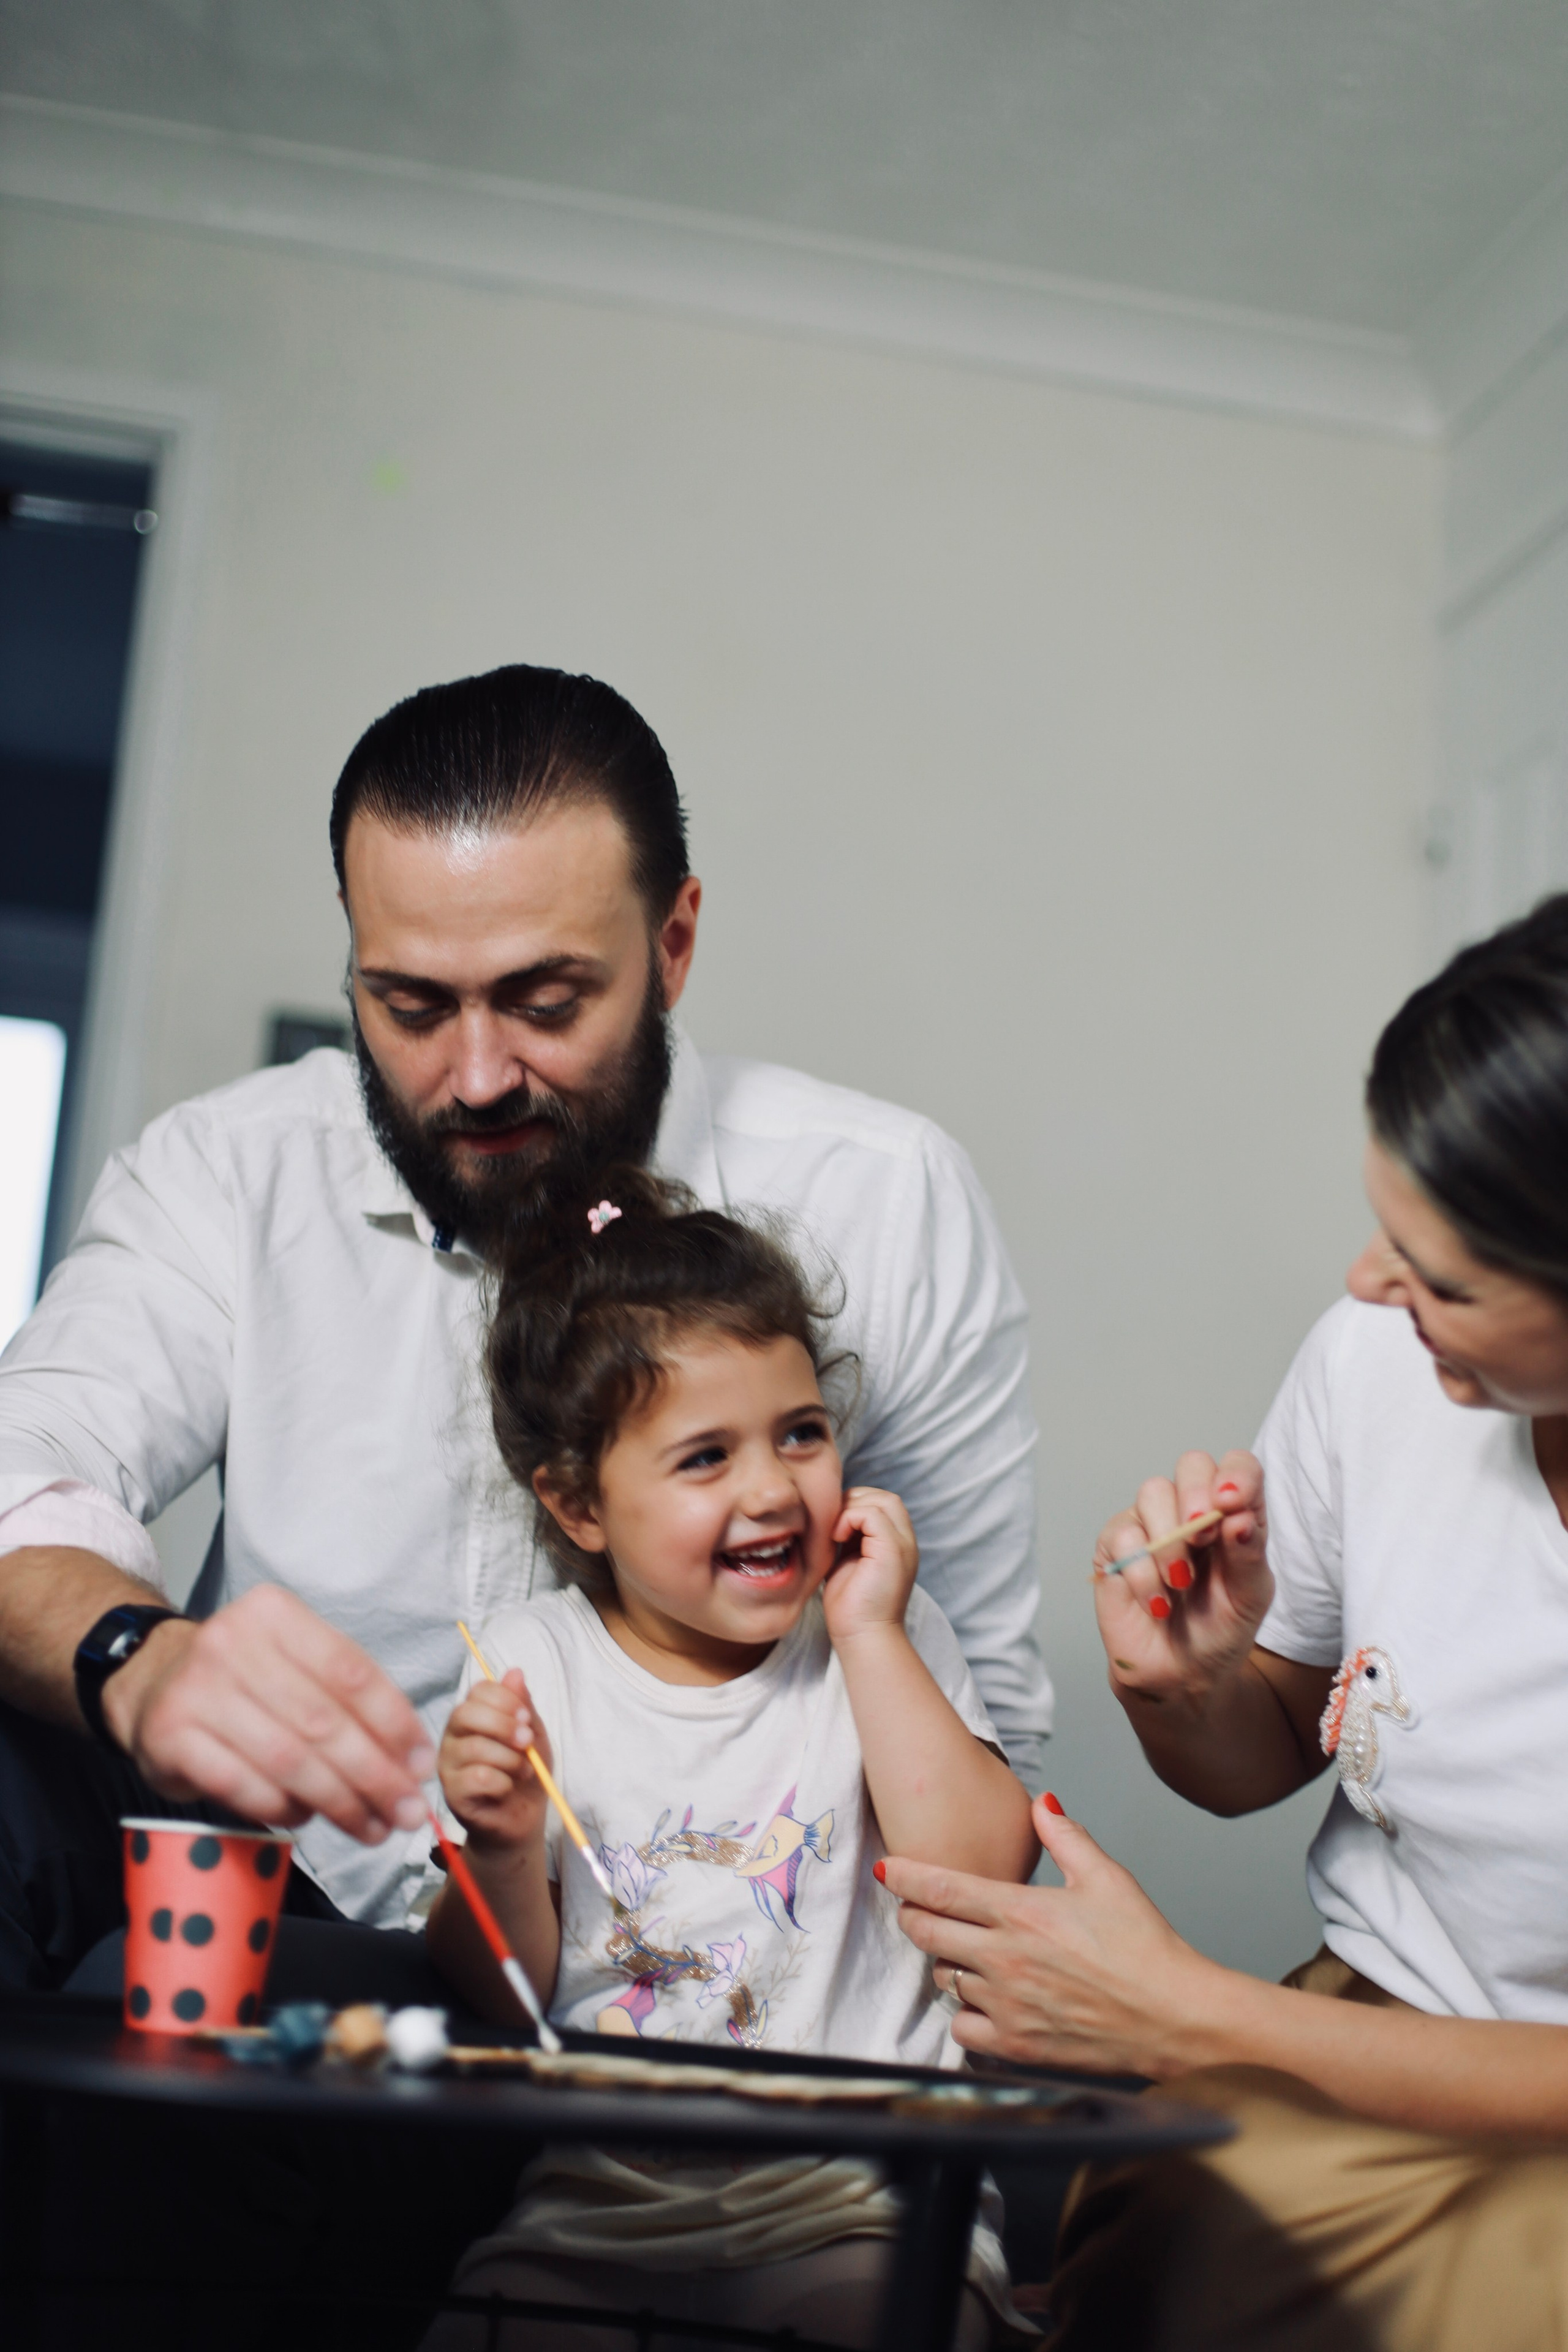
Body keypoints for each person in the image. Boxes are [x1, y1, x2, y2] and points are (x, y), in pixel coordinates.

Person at [0, 662, 1050, 1995]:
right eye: (410, 1005)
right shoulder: (226, 1171)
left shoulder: (881, 1196)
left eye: (546, 1003)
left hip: (671, 1949)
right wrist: (134, 1663)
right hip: (278, 1877)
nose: (478, 1076)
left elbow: (983, 1724)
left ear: (672, 943)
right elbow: (20, 1465)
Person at [878, 895, 1568, 2351]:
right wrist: (1189, 1686)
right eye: (1383, 1232)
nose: (1368, 1287)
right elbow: (1266, 1753)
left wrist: (1191, 2017)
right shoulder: (1381, 1369)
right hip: (1368, 2027)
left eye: (1439, 1274)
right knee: (1162, 2244)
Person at [422, 1167, 1039, 2350]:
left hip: (866, 2201)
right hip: (594, 2211)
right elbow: (495, 1996)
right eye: (706, 1458)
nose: (772, 1489)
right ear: (578, 1506)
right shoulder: (528, 1663)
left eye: (801, 1435)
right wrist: (501, 1848)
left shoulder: (880, 1634)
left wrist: (868, 1635)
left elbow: (985, 1873)